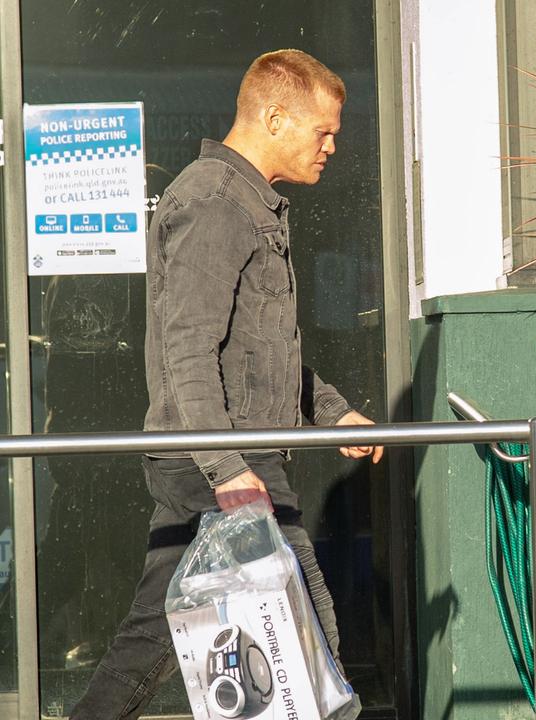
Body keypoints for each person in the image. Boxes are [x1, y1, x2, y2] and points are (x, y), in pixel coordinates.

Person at [71, 49, 383, 720]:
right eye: (322, 131)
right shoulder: (215, 202)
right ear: (274, 117)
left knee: (153, 641)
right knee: (309, 646)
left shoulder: (245, 202)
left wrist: (334, 414)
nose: (332, 146)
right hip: (219, 464)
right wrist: (226, 466)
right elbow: (187, 348)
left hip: (231, 459)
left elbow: (255, 353)